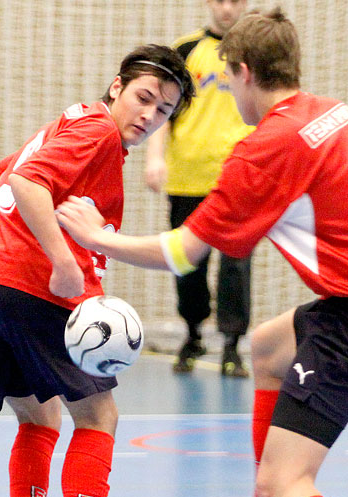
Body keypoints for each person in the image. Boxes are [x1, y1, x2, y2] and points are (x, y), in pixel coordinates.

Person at [56, 8, 348, 497]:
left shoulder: (267, 146)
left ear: (243, 73)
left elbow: (183, 252)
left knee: (290, 478)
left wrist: (95, 238)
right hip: (341, 301)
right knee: (267, 349)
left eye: (226, 83)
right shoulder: (332, 111)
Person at [0, 46, 195, 497]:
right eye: (144, 98)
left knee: (38, 419)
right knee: (100, 418)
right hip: (37, 289)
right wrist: (63, 262)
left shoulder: (69, 122)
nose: (149, 116)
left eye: (164, 110)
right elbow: (25, 182)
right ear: (117, 87)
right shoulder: (97, 132)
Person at [145, 0, 253, 377]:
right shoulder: (187, 50)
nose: (227, 8)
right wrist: (154, 158)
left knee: (236, 268)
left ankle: (233, 345)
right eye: (220, 0)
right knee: (188, 263)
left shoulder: (255, 53)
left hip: (239, 181)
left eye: (236, 0)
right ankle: (192, 335)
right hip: (188, 178)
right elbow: (162, 110)